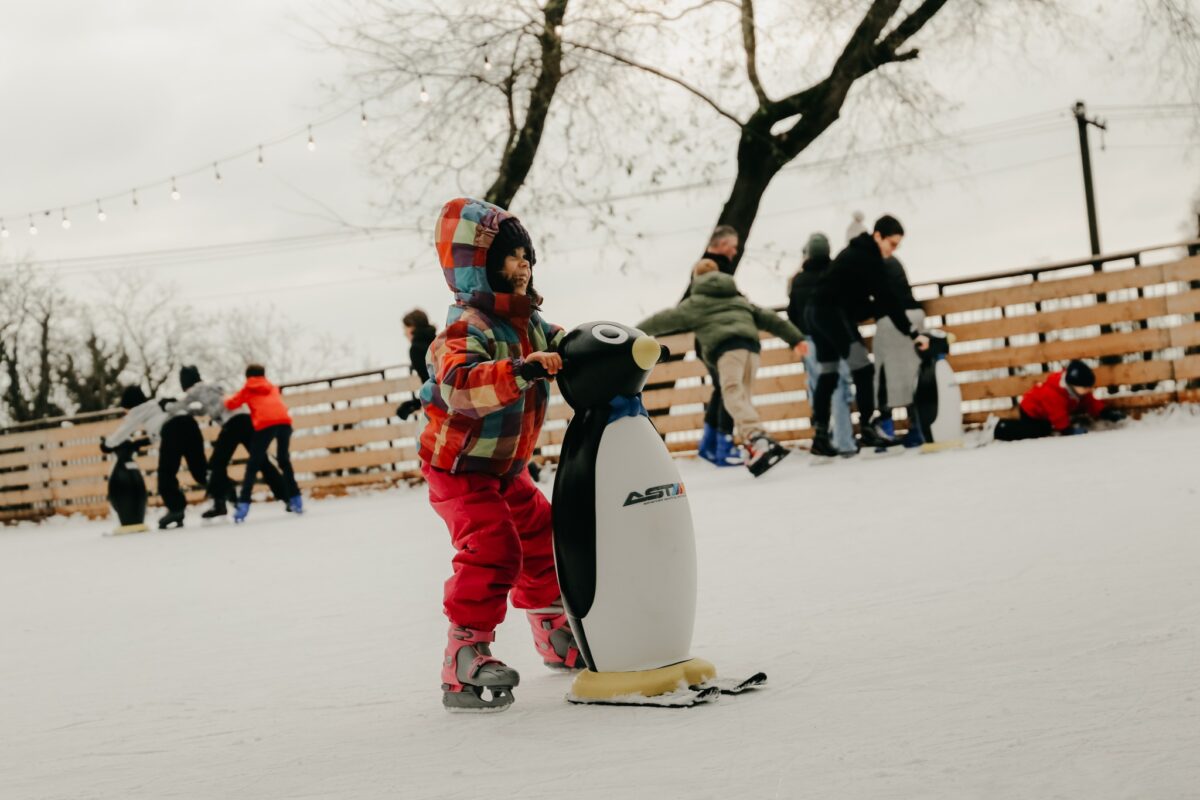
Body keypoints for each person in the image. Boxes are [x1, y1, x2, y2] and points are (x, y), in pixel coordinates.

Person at [419, 197, 583, 712]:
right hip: (460, 467)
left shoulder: (529, 323)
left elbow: (568, 343)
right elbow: (459, 385)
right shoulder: (466, 328)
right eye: (510, 257)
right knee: (493, 549)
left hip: (504, 467)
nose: (523, 264)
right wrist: (522, 371)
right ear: (480, 268)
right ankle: (464, 654)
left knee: (540, 538)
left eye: (526, 255)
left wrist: (613, 348)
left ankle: (553, 630)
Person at [639, 259, 807, 475]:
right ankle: (753, 446)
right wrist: (796, 339)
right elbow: (770, 318)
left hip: (727, 351)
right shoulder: (737, 297)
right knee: (741, 398)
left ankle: (757, 437)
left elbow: (662, 320)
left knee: (732, 393)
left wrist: (634, 335)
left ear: (696, 278)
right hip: (751, 349)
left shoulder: (696, 302)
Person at [806, 215, 931, 457]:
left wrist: (874, 309)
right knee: (864, 370)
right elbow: (887, 298)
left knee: (829, 373)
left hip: (816, 314)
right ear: (878, 236)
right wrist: (912, 331)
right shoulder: (869, 258)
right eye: (892, 244)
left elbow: (859, 300)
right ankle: (868, 427)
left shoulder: (854, 253)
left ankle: (820, 437)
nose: (893, 251)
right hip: (831, 314)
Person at [168, 365, 288, 519]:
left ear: (185, 382)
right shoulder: (212, 387)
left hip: (232, 424)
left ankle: (219, 504)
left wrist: (166, 406)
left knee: (216, 464)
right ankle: (287, 497)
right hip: (245, 420)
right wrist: (194, 412)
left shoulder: (195, 391)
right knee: (261, 460)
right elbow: (208, 408)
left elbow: (180, 405)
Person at [788, 233, 857, 457]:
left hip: (809, 341)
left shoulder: (797, 281)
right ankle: (844, 442)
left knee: (817, 390)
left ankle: (821, 439)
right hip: (833, 338)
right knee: (838, 389)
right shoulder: (835, 275)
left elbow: (793, 314)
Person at [101, 384, 207, 529]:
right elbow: (158, 430)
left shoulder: (138, 410)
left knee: (166, 473)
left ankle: (176, 509)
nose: (126, 412)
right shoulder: (155, 405)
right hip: (189, 424)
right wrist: (142, 442)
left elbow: (124, 430)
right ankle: (226, 493)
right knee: (200, 470)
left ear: (130, 403)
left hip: (172, 429)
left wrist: (107, 445)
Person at [224, 364, 303, 523]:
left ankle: (244, 504)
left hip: (265, 425)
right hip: (284, 422)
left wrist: (225, 398)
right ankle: (296, 500)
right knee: (284, 460)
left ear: (248, 377)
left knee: (254, 464)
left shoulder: (248, 388)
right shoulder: (272, 387)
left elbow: (232, 404)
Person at [993, 360, 1125, 441]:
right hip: (1031, 412)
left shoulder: (1078, 393)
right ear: (1073, 385)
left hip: (1045, 413)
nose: (1088, 390)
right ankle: (1001, 428)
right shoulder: (1054, 394)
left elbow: (1090, 403)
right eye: (1085, 387)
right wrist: (1068, 430)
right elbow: (1058, 415)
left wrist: (1105, 412)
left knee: (1045, 428)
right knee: (1039, 431)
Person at [872, 255, 927, 446]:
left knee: (885, 376)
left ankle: (887, 429)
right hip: (914, 314)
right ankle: (918, 428)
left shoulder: (875, 265)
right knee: (914, 374)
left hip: (890, 321)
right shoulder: (894, 262)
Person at [396, 308, 438, 421]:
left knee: (422, 436)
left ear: (412, 328)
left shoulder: (416, 349)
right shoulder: (437, 340)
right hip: (452, 395)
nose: (404, 333)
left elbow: (430, 383)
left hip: (440, 406)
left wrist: (413, 405)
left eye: (405, 328)